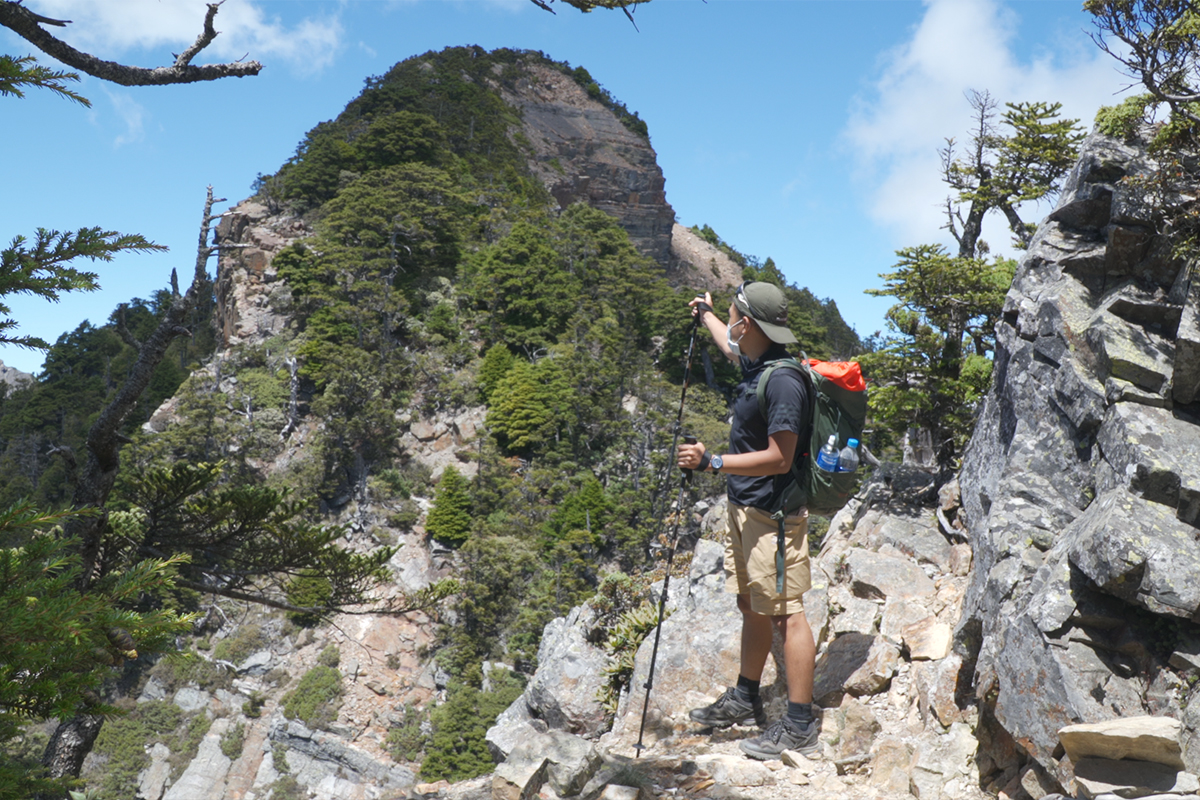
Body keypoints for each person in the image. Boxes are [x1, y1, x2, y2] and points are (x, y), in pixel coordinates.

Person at [676, 281, 819, 761]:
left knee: (785, 611)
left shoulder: (782, 381)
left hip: (773, 515)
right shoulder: (756, 359)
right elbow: (728, 343)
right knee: (752, 603)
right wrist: (707, 315)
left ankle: (799, 722)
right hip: (746, 507)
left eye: (735, 315)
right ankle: (745, 695)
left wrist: (712, 462)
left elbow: (780, 457)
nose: (731, 323)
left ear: (751, 324)